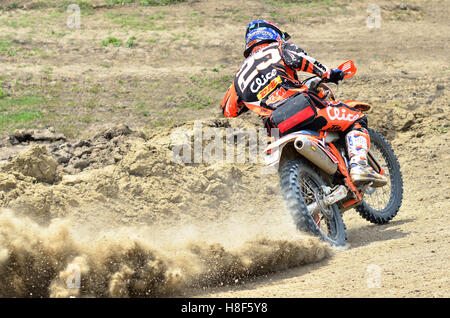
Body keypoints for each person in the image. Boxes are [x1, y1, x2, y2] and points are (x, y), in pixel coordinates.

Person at [221, 19, 386, 186]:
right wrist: (331, 73)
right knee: (355, 118)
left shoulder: (238, 77)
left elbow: (229, 111)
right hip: (303, 109)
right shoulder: (279, 48)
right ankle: (359, 166)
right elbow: (305, 61)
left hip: (276, 128)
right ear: (274, 34)